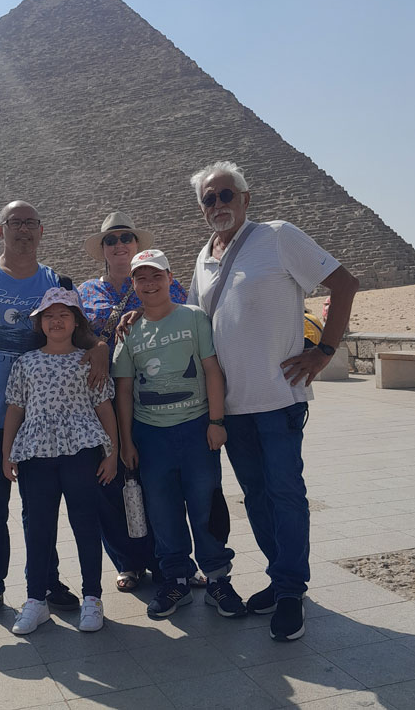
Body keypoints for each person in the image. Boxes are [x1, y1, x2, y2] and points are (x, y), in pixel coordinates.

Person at [187, 160, 359, 641]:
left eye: (226, 195)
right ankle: (283, 580)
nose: (218, 204)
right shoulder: (203, 258)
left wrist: (324, 350)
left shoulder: (278, 236)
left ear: (246, 199)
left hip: (279, 398)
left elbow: (344, 283)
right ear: (202, 208)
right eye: (209, 198)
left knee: (285, 493)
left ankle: (288, 590)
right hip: (233, 407)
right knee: (258, 497)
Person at [0, 200, 109, 628]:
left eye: (31, 223)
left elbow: (82, 332)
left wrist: (102, 348)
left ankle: (46, 584)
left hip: (44, 429)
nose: (24, 231)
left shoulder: (56, 282)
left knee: (40, 511)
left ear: (42, 230)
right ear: (1, 231)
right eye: (16, 223)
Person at [114, 249, 247, 620]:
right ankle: (175, 579)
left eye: (156, 275)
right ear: (134, 284)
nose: (149, 283)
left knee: (207, 506)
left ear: (171, 278)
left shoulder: (193, 317)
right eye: (141, 277)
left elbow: (211, 370)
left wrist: (217, 422)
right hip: (151, 435)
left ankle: (219, 578)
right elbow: (124, 389)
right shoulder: (129, 330)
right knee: (162, 512)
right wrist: (127, 442)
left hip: (195, 429)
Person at [79, 212, 202, 593]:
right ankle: (127, 561)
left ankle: (171, 560)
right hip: (101, 400)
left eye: (126, 238)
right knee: (109, 483)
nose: (119, 245)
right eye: (111, 240)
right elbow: (70, 333)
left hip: (156, 399)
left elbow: (186, 324)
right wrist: (98, 344)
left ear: (138, 245)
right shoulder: (83, 293)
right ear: (102, 249)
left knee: (159, 483)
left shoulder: (170, 285)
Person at [2, 288, 119, 634]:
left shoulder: (88, 360)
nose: (56, 321)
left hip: (81, 450)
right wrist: (8, 452)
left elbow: (103, 406)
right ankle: (36, 600)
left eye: (64, 315)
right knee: (38, 527)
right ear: (39, 323)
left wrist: (110, 452)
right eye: (49, 315)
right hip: (36, 452)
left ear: (76, 321)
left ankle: (92, 598)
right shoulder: (26, 363)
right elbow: (15, 408)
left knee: (85, 523)